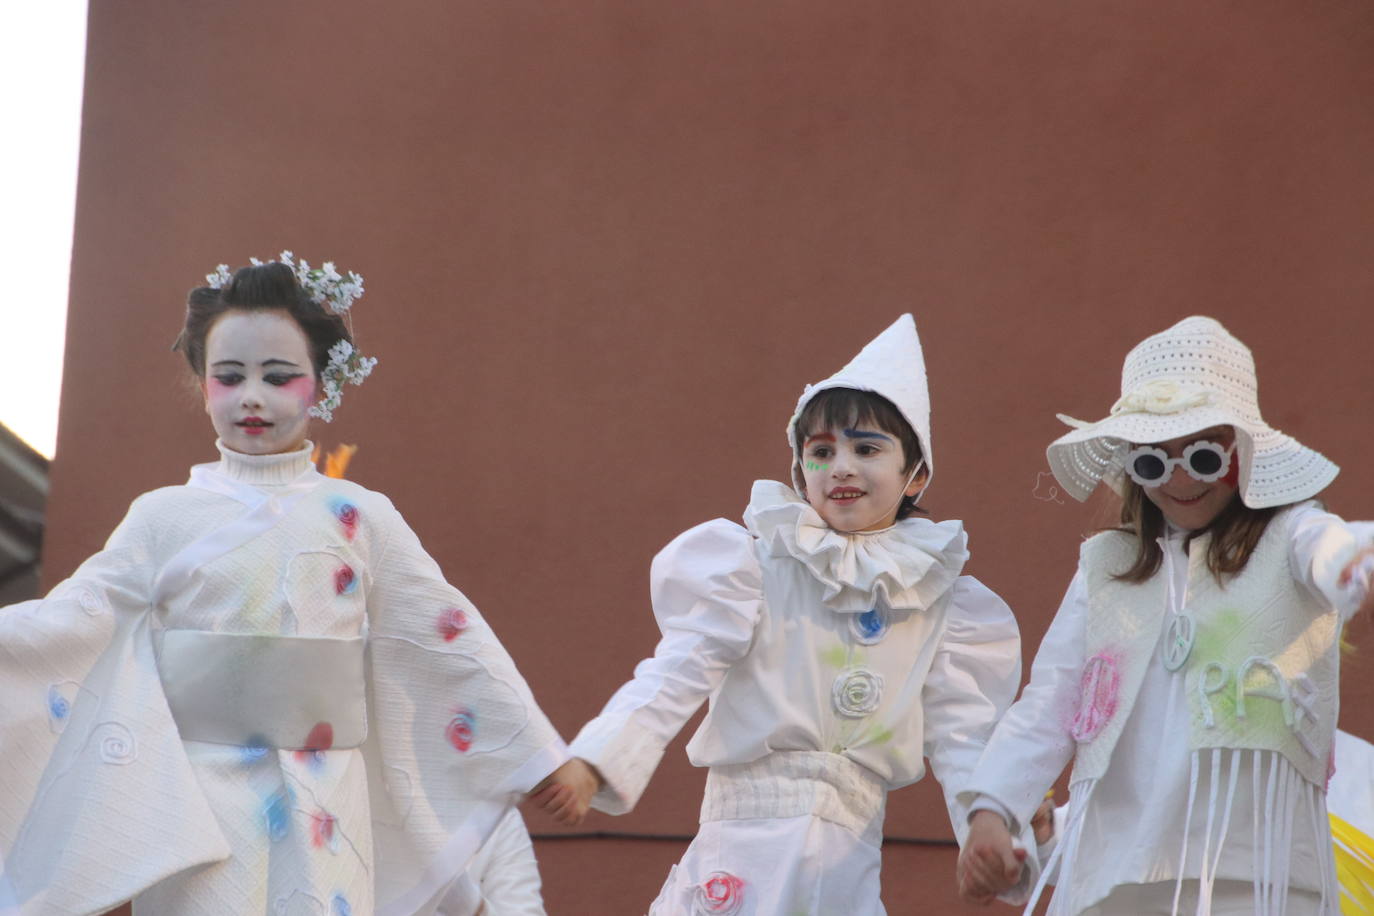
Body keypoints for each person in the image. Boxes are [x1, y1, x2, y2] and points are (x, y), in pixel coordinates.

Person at [0, 255, 595, 915]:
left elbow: (444, 631)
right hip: (201, 799)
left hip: (325, 792)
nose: (252, 395)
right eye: (230, 377)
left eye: (279, 377)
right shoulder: (159, 517)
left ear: (322, 385)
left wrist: (540, 753)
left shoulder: (361, 515)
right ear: (202, 384)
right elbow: (76, 617)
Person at [549, 315, 1029, 914]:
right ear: (800, 471)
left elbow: (965, 737)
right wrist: (597, 761)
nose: (843, 467)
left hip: (847, 867)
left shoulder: (942, 602)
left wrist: (991, 824)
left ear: (916, 474)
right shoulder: (753, 567)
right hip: (741, 853)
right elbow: (679, 669)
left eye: (867, 448)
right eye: (822, 451)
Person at [957, 316, 1374, 915]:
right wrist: (994, 808)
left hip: (1252, 871)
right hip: (1117, 873)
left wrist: (1358, 562)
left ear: (1243, 452)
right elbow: (1049, 701)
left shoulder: (1290, 536)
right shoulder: (1107, 567)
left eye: (1202, 457)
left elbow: (1330, 550)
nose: (1178, 479)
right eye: (1152, 463)